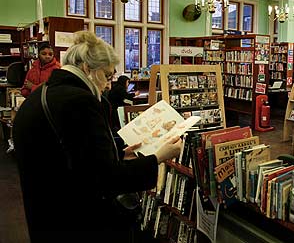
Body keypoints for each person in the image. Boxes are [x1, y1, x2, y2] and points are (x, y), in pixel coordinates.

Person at [13, 31, 182, 243]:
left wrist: (117, 153)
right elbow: (105, 177)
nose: (109, 84)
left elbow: (75, 155)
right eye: (107, 75)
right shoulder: (80, 101)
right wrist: (157, 157)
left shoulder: (43, 93)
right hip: (78, 222)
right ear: (87, 69)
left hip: (46, 214)